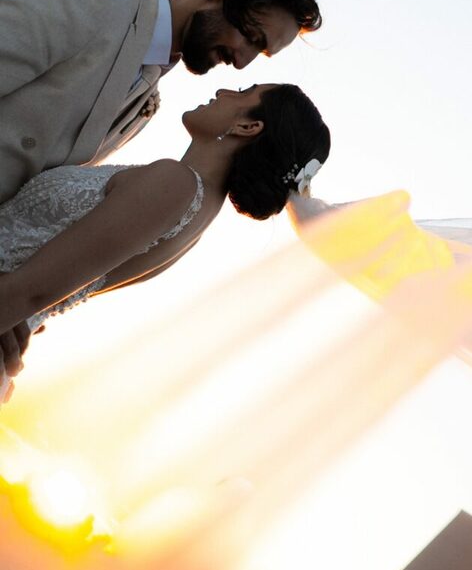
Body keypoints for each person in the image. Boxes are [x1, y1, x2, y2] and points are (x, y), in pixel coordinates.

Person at [0, 0, 322, 378]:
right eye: (250, 36)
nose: (242, 64)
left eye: (259, 53)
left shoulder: (145, 107)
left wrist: (18, 311)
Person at [0, 84, 330, 402]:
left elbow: (31, 292)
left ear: (248, 126)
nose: (223, 92)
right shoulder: (196, 212)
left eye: (244, 92)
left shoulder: (174, 184)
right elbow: (46, 290)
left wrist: (20, 308)